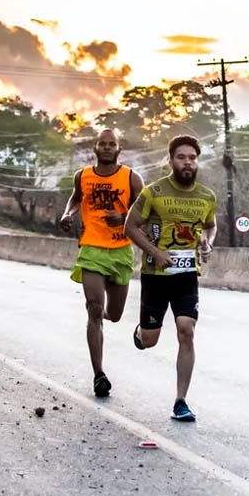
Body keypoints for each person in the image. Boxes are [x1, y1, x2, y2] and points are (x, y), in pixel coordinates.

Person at [125, 135, 217, 422]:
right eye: (182, 157)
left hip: (187, 276)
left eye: (192, 157)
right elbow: (131, 226)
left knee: (186, 329)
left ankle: (181, 401)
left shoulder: (207, 197)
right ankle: (141, 334)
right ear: (171, 160)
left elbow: (210, 227)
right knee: (150, 340)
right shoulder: (154, 192)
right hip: (155, 274)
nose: (187, 162)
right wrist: (156, 252)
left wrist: (207, 242)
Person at [60, 129, 144, 397]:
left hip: (120, 251)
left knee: (115, 315)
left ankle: (107, 317)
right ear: (95, 148)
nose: (107, 148)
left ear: (119, 149)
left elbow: (145, 211)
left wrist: (124, 218)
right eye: (102, 144)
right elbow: (75, 197)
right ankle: (99, 374)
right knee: (94, 310)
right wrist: (67, 213)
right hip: (92, 248)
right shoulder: (82, 176)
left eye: (112, 144)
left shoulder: (131, 177)